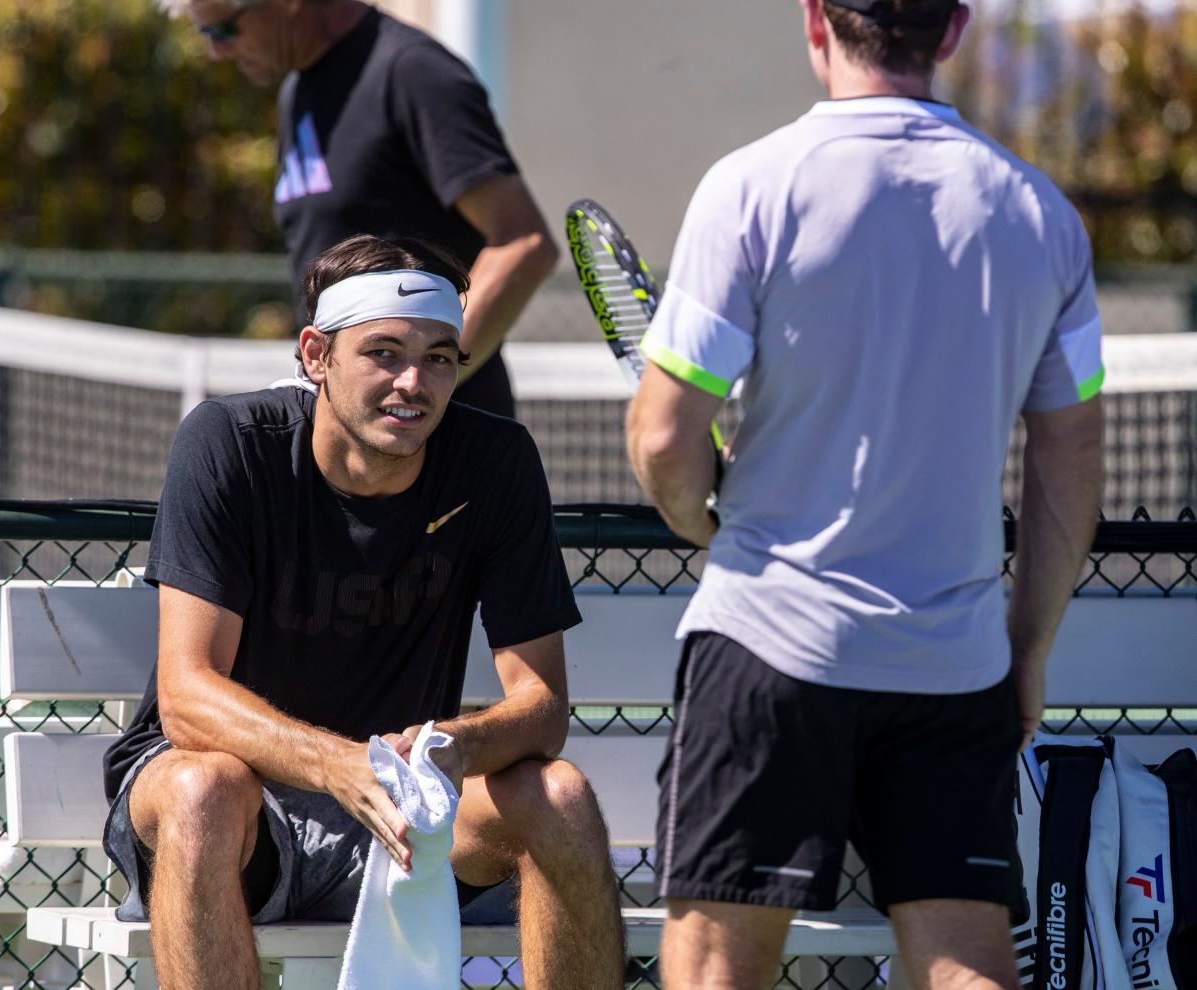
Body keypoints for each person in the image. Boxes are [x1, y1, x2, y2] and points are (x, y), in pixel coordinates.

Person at [625, 1, 1105, 988]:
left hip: (766, 643)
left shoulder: (751, 187)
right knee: (968, 965)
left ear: (814, 21)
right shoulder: (1042, 216)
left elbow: (665, 438)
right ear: (953, 29)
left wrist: (704, 524)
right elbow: (1071, 467)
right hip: (956, 666)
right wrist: (1026, 651)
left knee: (716, 969)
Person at [103, 234, 624, 989]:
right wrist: (342, 765)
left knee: (561, 795)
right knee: (202, 790)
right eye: (384, 351)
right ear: (316, 355)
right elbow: (187, 699)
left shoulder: (497, 461)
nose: (414, 382)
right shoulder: (228, 443)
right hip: (237, 817)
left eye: (441, 357)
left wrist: (456, 748)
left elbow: (542, 708)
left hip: (405, 819)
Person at [167, 0, 558, 419]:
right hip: (350, 441)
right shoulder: (296, 92)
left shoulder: (413, 73)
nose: (217, 52)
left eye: (224, 31)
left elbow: (525, 243)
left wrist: (420, 387)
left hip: (439, 443)